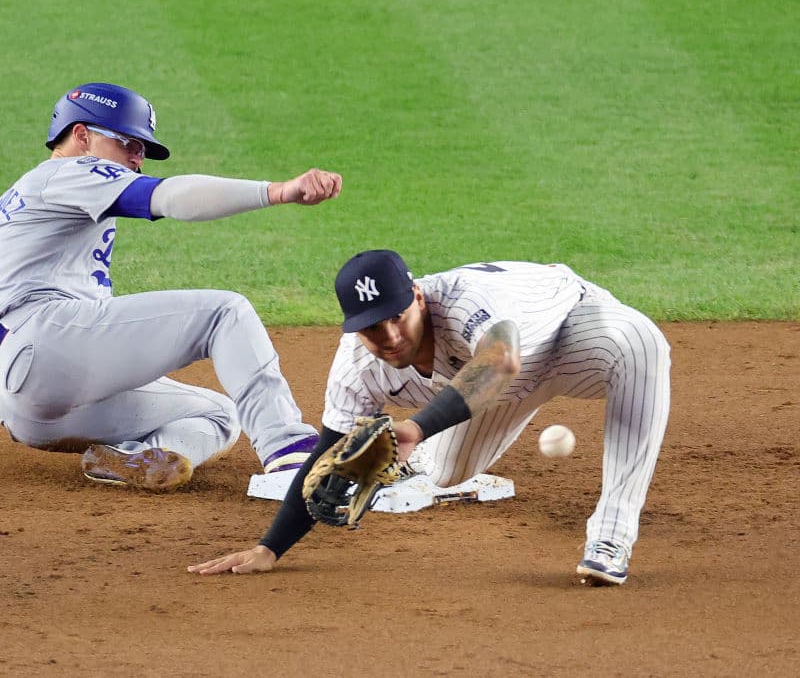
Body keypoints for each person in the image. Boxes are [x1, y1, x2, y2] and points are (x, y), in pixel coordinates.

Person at [0, 82, 343, 488]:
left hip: (26, 408)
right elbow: (167, 197)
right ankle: (291, 458)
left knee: (219, 413)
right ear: (81, 135)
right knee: (226, 313)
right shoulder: (68, 172)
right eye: (128, 144)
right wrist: (278, 192)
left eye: (142, 149)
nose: (137, 159)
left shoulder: (17, 208)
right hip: (49, 346)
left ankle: (139, 457)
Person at [189, 250, 671, 585]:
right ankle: (423, 458)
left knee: (640, 345)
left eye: (398, 316)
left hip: (570, 336)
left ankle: (611, 535)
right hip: (491, 390)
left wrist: (415, 429)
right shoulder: (356, 368)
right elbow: (325, 455)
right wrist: (269, 548)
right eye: (373, 328)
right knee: (444, 472)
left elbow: (501, 360)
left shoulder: (463, 301)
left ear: (418, 297)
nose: (391, 336)